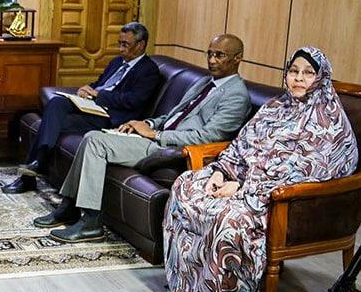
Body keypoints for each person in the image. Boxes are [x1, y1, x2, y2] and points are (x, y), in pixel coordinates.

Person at [164, 47, 358, 292]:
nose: (298, 78)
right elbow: (241, 145)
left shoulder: (328, 122)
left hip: (279, 200)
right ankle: (191, 284)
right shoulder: (274, 107)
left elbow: (305, 173)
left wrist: (241, 188)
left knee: (229, 218)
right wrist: (220, 171)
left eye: (308, 73)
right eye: (293, 71)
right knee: (186, 186)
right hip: (242, 181)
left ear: (321, 78)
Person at [35, 34, 251, 244]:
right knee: (92, 136)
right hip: (156, 136)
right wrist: (146, 123)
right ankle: (69, 207)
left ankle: (90, 222)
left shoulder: (236, 96)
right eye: (210, 54)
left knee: (95, 141)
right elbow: (172, 116)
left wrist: (156, 134)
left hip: (171, 150)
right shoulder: (204, 82)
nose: (212, 60)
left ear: (237, 58)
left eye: (220, 55)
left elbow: (207, 137)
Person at [3, 22, 161, 194]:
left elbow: (133, 101)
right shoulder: (117, 62)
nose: (121, 49)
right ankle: (37, 165)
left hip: (111, 117)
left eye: (126, 44)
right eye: (119, 43)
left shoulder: (149, 70)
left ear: (140, 45)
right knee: (56, 103)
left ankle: (32, 172)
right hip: (92, 106)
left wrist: (99, 95)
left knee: (51, 122)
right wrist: (87, 89)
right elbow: (100, 83)